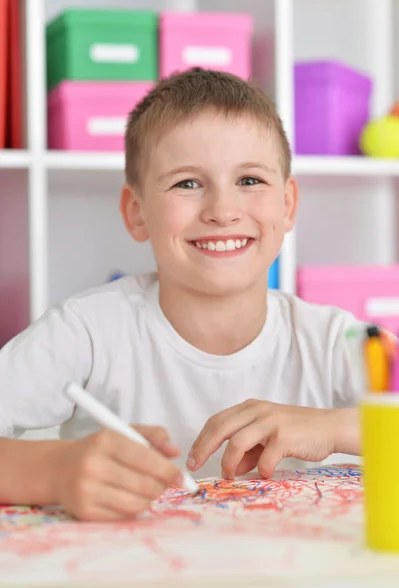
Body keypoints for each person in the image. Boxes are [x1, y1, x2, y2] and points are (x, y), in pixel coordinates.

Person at [0, 67, 362, 521]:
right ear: (136, 213)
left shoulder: (332, 339)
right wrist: (52, 471)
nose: (222, 211)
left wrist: (334, 427)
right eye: (187, 183)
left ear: (287, 205)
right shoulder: (87, 331)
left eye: (249, 180)